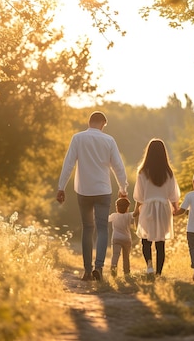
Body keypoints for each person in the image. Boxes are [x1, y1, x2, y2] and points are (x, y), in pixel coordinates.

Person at [57, 111, 128, 281]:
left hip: (84, 191)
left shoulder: (78, 138)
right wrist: (123, 188)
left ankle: (87, 271)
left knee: (88, 229)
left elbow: (68, 164)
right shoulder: (109, 140)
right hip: (103, 191)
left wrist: (61, 187)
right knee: (102, 229)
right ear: (103, 123)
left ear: (89, 122)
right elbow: (118, 166)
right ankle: (99, 267)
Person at [133, 138, 180, 276]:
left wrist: (137, 210)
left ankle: (149, 267)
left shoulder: (142, 172)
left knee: (145, 240)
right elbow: (173, 194)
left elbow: (139, 196)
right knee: (161, 243)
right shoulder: (169, 173)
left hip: (148, 207)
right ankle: (159, 273)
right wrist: (175, 208)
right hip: (164, 208)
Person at [108, 197, 136, 276]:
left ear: (116, 207)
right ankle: (127, 273)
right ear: (127, 207)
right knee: (126, 257)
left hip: (116, 238)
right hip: (126, 239)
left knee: (115, 255)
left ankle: (113, 272)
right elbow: (136, 213)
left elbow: (106, 219)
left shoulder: (114, 215)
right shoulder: (129, 215)